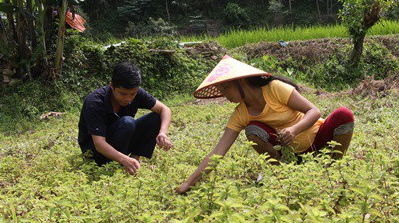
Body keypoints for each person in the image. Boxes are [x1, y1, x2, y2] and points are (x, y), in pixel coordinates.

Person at [176, 55, 354, 194]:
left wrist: (294, 129)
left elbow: (314, 111)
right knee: (253, 130)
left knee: (343, 114)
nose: (225, 96)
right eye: (221, 92)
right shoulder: (240, 114)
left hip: (318, 141)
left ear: (240, 81)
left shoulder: (275, 88)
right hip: (290, 154)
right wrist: (187, 184)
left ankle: (331, 169)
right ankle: (284, 172)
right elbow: (217, 152)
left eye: (226, 89)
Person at [78, 62, 172, 175]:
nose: (128, 99)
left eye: (132, 94)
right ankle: (120, 164)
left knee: (156, 117)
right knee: (128, 122)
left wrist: (163, 133)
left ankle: (134, 161)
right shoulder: (95, 102)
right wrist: (124, 159)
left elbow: (165, 110)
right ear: (112, 86)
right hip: (96, 152)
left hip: (121, 142)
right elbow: (99, 144)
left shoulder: (137, 94)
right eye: (122, 94)